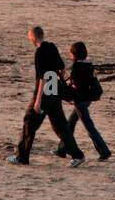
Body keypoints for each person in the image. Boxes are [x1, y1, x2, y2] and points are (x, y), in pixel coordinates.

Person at [7, 26, 85, 165]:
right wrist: (57, 80)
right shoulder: (52, 47)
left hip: (45, 92)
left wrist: (38, 100)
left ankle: (21, 157)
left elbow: (42, 77)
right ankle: (77, 155)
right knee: (60, 126)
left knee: (29, 123)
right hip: (54, 90)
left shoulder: (40, 52)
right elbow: (62, 67)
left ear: (33, 37)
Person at [54, 41, 111, 162]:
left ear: (74, 54)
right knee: (70, 124)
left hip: (80, 100)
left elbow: (75, 86)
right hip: (88, 98)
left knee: (88, 126)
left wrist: (61, 80)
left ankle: (104, 151)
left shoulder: (77, 67)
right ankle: (61, 150)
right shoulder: (88, 64)